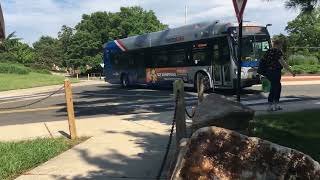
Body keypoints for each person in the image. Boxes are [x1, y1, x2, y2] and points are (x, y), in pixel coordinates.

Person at [263, 40, 295, 111]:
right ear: (277, 44)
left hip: (268, 72)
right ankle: (273, 105)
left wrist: (264, 73)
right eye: (281, 45)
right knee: (276, 88)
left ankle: (272, 105)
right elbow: (282, 62)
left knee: (274, 87)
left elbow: (264, 62)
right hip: (275, 72)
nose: (281, 46)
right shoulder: (277, 51)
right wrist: (291, 71)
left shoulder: (268, 51)